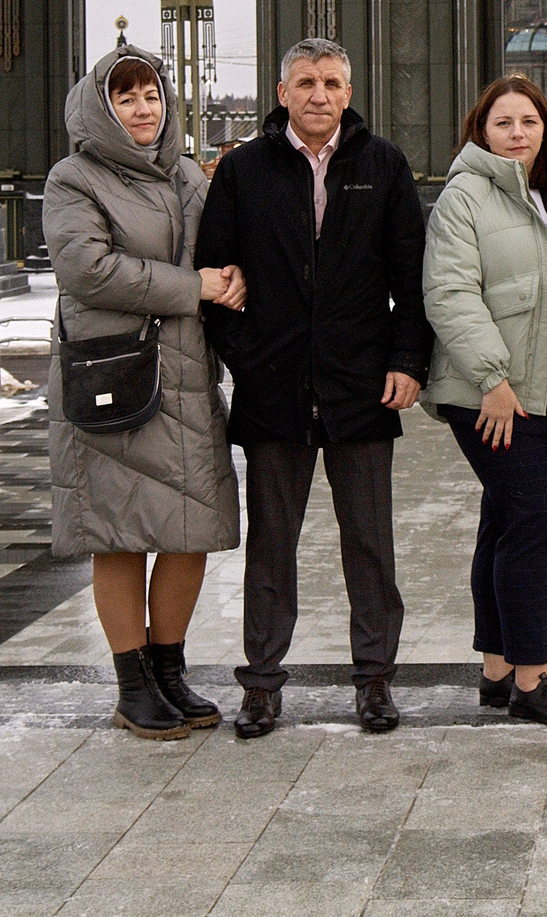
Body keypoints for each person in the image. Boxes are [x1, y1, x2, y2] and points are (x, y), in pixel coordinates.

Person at [197, 37, 433, 738]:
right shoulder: (243, 170)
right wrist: (248, 358)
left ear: (349, 92)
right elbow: (215, 277)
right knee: (272, 543)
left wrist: (407, 360)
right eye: (305, 82)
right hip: (274, 392)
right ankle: (262, 683)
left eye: (331, 82)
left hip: (361, 386)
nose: (319, 95)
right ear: (281, 93)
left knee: (370, 542)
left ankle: (375, 680)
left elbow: (410, 278)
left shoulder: (381, 165)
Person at [43, 46, 245, 740]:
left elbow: (222, 249)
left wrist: (235, 276)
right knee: (120, 534)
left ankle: (169, 668)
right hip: (116, 378)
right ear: (101, 107)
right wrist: (196, 287)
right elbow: (86, 268)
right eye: (126, 97)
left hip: (185, 376)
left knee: (191, 530)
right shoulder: (74, 179)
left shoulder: (188, 173)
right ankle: (133, 683)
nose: (143, 107)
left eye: (151, 94)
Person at [421, 75, 547, 727]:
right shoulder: (465, 196)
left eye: (529, 121)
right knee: (533, 522)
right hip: (494, 391)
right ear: (481, 130)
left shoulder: (546, 193)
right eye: (504, 123)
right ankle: (534, 676)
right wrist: (493, 379)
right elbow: (449, 293)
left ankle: (498, 668)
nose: (518, 133)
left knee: (504, 519)